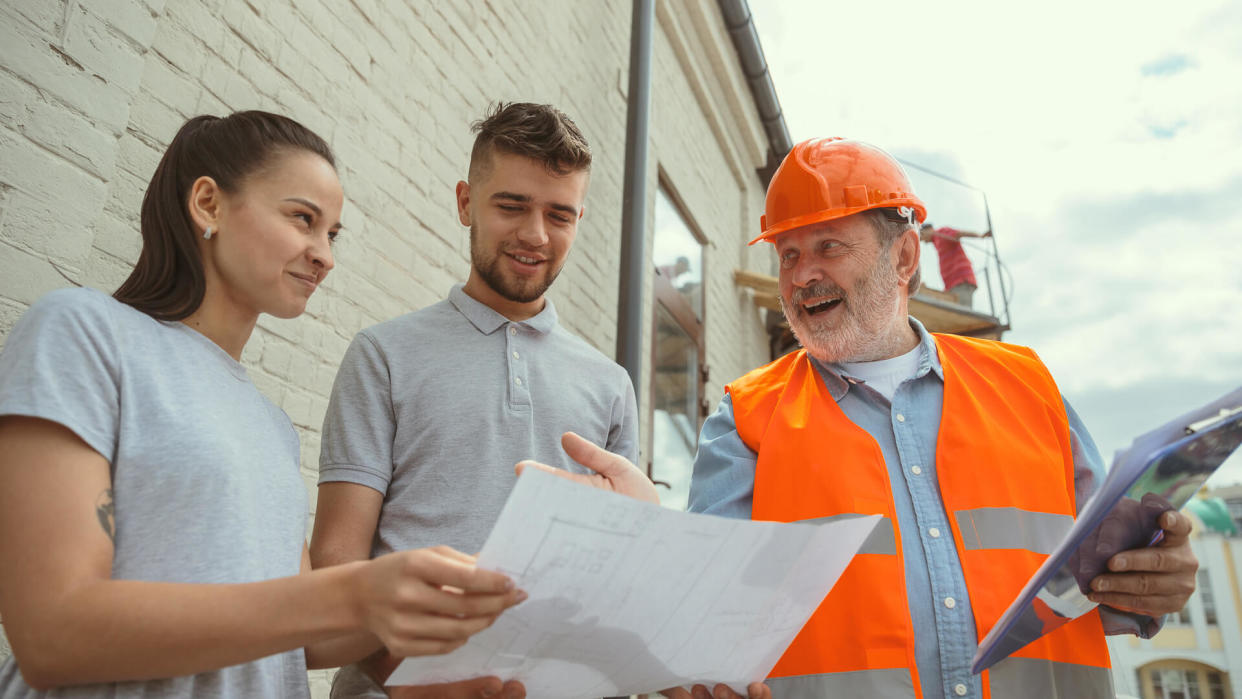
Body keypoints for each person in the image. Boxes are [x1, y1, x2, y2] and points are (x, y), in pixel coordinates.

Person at [526, 138, 1199, 698]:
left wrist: (1156, 581)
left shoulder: (1028, 386)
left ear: (903, 257)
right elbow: (706, 628)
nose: (800, 275)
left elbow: (1107, 581)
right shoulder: (746, 419)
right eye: (787, 254)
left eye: (827, 247)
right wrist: (644, 546)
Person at [0, 112, 524, 698]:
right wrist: (357, 593)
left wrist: (447, 615)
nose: (324, 255)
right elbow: (53, 632)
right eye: (303, 219)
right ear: (208, 204)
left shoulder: (271, 425)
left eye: (332, 234)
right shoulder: (84, 332)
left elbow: (304, 640)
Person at [309, 102, 639, 699]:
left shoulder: (610, 384)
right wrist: (416, 683)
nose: (535, 234)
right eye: (511, 205)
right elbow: (338, 561)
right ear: (465, 202)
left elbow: (614, 578)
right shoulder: (383, 354)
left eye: (559, 214)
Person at [918, 223, 990, 307]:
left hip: (961, 281)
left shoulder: (942, 232)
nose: (923, 240)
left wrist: (980, 236)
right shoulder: (936, 242)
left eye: (922, 235)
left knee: (963, 313)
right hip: (951, 285)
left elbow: (960, 234)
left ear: (929, 229)